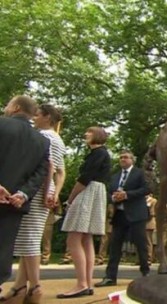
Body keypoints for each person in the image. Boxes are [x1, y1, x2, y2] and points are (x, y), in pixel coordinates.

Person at [7, 104, 66, 303]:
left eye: (38, 115)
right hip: (46, 190)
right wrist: (54, 193)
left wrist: (44, 193)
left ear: (47, 117)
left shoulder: (46, 137)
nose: (34, 118)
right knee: (28, 240)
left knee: (30, 240)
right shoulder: (58, 139)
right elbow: (61, 171)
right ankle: (19, 287)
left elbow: (48, 167)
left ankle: (36, 288)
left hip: (37, 191)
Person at [0, 96, 50, 299]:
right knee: (3, 248)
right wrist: (23, 194)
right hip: (14, 203)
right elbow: (41, 172)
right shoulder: (41, 140)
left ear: (15, 107)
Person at [56, 126, 110, 299]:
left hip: (88, 192)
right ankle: (86, 282)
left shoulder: (98, 153)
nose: (85, 134)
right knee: (86, 238)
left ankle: (81, 284)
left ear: (98, 136)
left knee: (74, 237)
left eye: (89, 132)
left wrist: (70, 198)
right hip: (97, 192)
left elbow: (84, 178)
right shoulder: (102, 154)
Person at [95, 150, 150, 288]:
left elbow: (147, 189)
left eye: (125, 157)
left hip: (136, 214)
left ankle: (146, 273)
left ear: (132, 160)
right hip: (119, 215)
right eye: (120, 158)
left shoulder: (140, 173)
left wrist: (127, 195)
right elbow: (107, 192)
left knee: (141, 245)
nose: (122, 160)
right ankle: (110, 277)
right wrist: (113, 198)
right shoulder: (115, 176)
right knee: (115, 246)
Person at [145, 193, 158, 265]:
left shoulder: (153, 201)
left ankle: (149, 258)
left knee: (148, 241)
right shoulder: (144, 200)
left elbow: (152, 212)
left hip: (150, 221)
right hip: (143, 221)